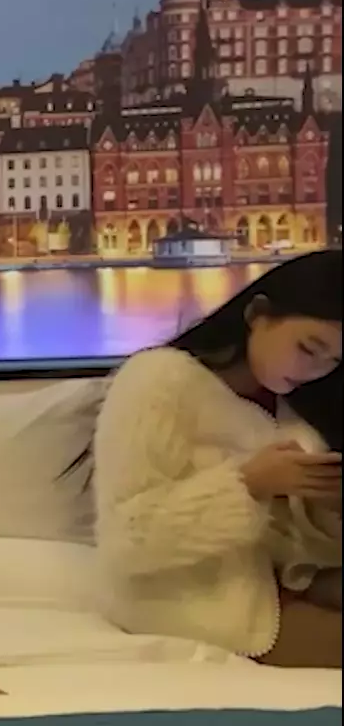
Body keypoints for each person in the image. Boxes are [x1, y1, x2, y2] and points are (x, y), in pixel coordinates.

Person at [88, 249, 342, 669]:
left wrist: (324, 504)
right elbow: (129, 540)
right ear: (258, 315)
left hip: (287, 580)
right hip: (192, 598)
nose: (316, 369)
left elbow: (298, 544)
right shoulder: (159, 381)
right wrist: (249, 484)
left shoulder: (293, 409)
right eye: (308, 347)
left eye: (333, 361)